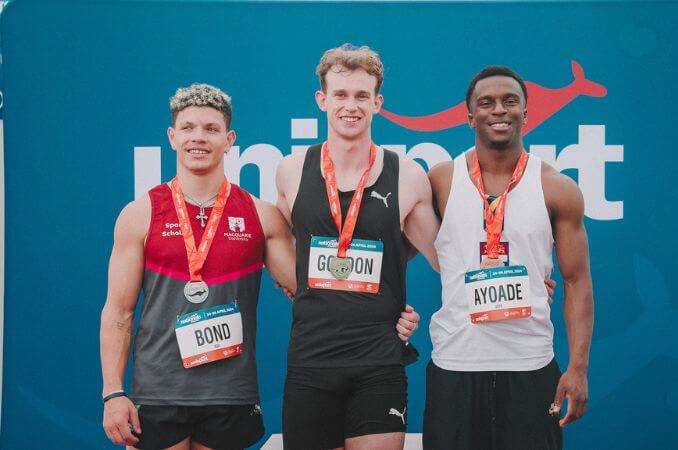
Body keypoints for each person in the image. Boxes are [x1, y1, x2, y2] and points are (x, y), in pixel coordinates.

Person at [100, 83, 297, 450]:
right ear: (172, 137)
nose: (198, 138)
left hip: (230, 393)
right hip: (158, 392)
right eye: (188, 128)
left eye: (211, 129)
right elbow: (119, 312)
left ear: (229, 139)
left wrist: (385, 312)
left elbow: (309, 292)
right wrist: (113, 393)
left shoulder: (261, 215)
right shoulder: (139, 214)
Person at [275, 44, 439, 450]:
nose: (351, 106)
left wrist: (523, 277)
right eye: (341, 95)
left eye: (362, 96)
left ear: (378, 103)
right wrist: (291, 281)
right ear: (322, 100)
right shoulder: (291, 171)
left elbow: (448, 259)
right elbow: (287, 249)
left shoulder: (408, 177)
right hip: (311, 359)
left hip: (378, 361)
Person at [423, 66, 594, 450]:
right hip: (455, 365)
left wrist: (578, 368)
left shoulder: (557, 188)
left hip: (531, 366)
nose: (499, 110)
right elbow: (395, 248)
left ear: (525, 113)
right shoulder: (440, 180)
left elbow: (577, 281)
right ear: (470, 117)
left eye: (510, 101)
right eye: (486, 103)